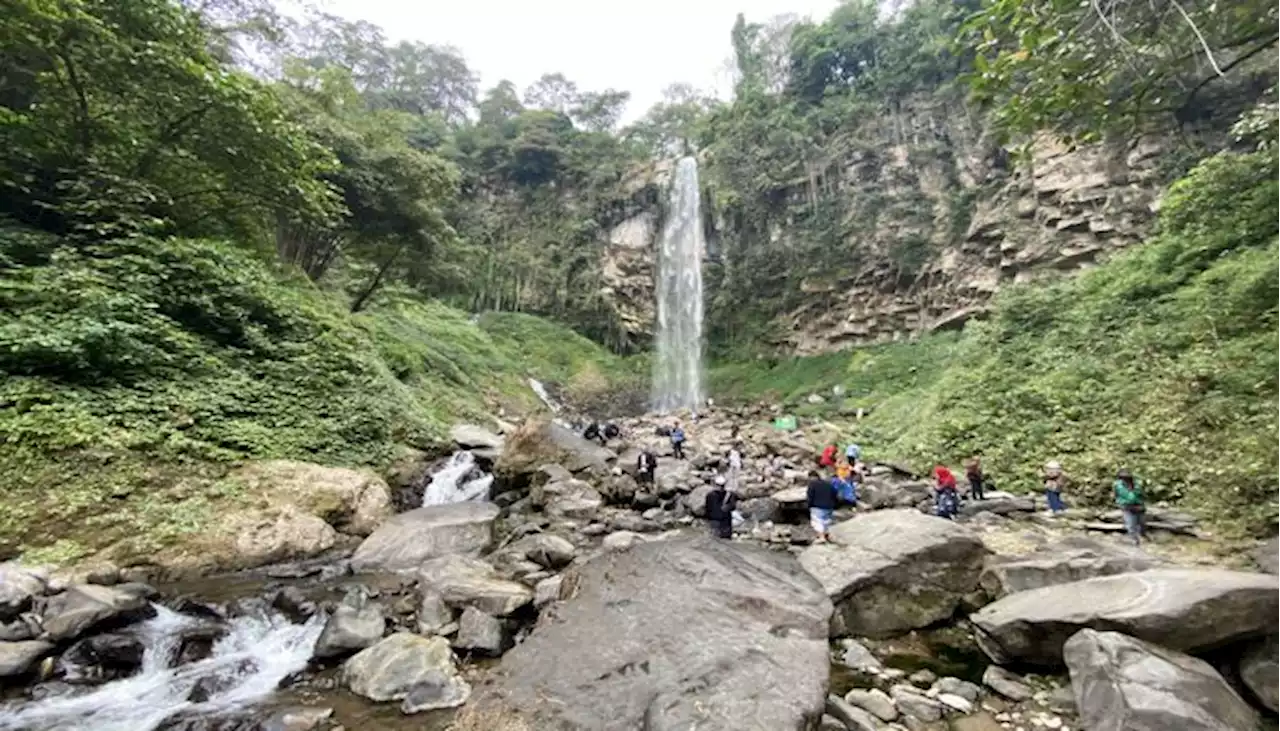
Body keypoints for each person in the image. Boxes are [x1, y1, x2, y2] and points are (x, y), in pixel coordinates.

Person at [1114, 468, 1146, 545]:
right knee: (1131, 524)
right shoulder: (1119, 485)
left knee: (1141, 523)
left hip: (1139, 506)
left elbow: (1141, 494)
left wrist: (1141, 504)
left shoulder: (1136, 484)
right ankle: (1134, 540)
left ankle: (1141, 538)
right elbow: (1129, 497)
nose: (1126, 479)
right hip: (1127, 506)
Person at [806, 471, 839, 542]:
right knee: (826, 521)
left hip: (817, 506)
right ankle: (827, 535)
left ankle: (821, 537)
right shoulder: (827, 483)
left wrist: (809, 506)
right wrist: (834, 504)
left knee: (817, 522)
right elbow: (835, 493)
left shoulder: (812, 484)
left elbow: (810, 496)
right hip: (829, 506)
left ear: (811, 477)